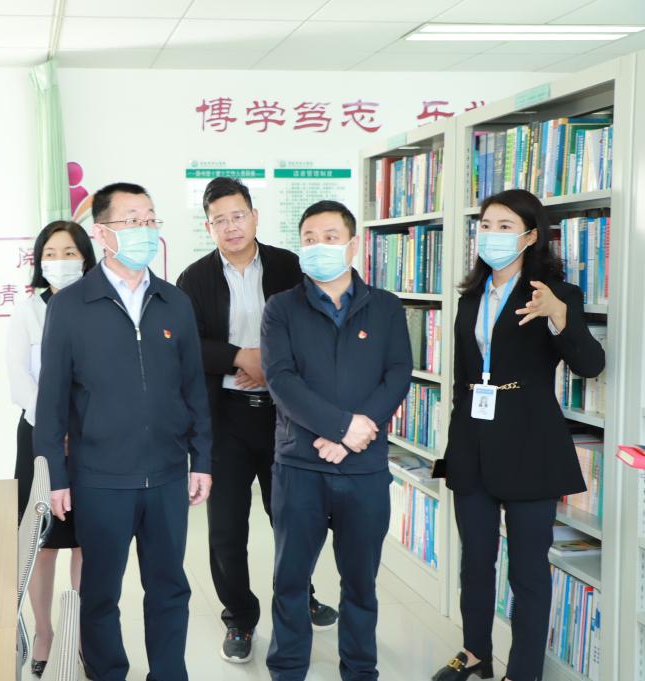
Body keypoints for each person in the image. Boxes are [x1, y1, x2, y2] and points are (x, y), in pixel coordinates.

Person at [35, 182, 213, 681]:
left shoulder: (174, 301)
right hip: (100, 478)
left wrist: (202, 460)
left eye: (150, 219)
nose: (145, 229)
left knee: (170, 589)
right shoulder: (71, 305)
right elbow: (51, 402)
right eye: (132, 220)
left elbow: (194, 389)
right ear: (103, 233)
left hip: (166, 475)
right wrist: (55, 477)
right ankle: (107, 672)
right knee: (100, 594)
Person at [431, 189, 605, 681]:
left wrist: (559, 315)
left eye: (505, 226)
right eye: (486, 225)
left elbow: (590, 364)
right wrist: (454, 448)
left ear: (530, 236)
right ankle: (475, 655)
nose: (492, 234)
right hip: (472, 443)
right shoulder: (471, 295)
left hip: (531, 444)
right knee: (475, 563)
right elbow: (463, 378)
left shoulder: (556, 293)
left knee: (527, 571)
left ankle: (523, 671)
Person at [176, 177, 338, 664]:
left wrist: (269, 363)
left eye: (238, 215)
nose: (231, 227)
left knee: (291, 517)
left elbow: (314, 325)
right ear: (208, 227)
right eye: (220, 220)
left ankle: (301, 594)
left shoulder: (289, 266)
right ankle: (240, 617)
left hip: (284, 416)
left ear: (255, 216)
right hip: (224, 417)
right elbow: (186, 344)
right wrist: (237, 357)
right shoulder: (194, 279)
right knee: (226, 529)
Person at [262, 200, 412, 681]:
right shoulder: (281, 307)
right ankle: (288, 669)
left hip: (364, 469)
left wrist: (350, 439)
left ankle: (360, 670)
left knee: (361, 583)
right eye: (309, 238)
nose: (318, 246)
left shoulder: (385, 306)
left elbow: (398, 374)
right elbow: (281, 380)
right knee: (290, 581)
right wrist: (342, 428)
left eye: (329, 236)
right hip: (300, 467)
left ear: (352, 244)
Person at [7, 220, 96, 677]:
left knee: (86, 541)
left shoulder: (100, 306)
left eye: (69, 252)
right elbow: (19, 379)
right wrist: (53, 427)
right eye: (51, 254)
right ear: (39, 262)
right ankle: (43, 632)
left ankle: (77, 634)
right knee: (42, 544)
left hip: (92, 440)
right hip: (40, 437)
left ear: (85, 258)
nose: (60, 261)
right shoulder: (27, 311)